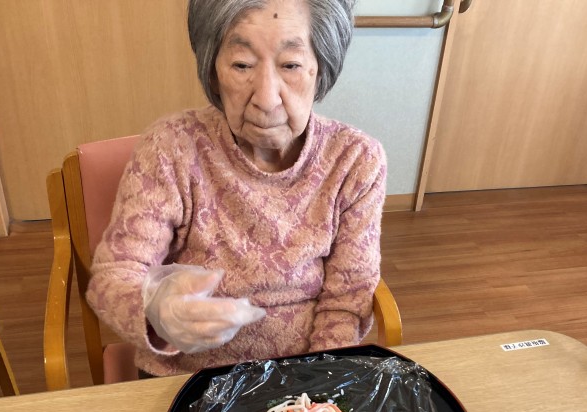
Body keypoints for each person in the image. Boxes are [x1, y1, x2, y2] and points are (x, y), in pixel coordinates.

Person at [87, 0, 387, 377]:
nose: (266, 99)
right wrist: (156, 310)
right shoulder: (170, 147)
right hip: (187, 380)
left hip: (301, 379)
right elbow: (114, 275)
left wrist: (314, 388)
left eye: (291, 65)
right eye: (242, 65)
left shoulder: (354, 160)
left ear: (321, 70)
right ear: (212, 72)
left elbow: (346, 302)